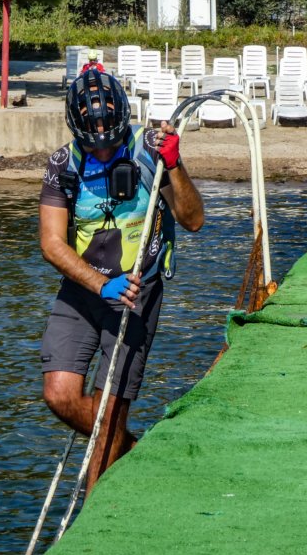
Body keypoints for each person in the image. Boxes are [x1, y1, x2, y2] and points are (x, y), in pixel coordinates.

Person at [38, 67, 204, 492]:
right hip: (83, 289)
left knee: (110, 411)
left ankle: (93, 507)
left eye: (110, 142)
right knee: (59, 394)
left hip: (136, 292)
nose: (103, 150)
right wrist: (98, 283)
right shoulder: (63, 165)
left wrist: (175, 165)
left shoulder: (150, 148)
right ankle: (131, 447)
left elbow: (193, 220)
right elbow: (52, 244)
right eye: (93, 143)